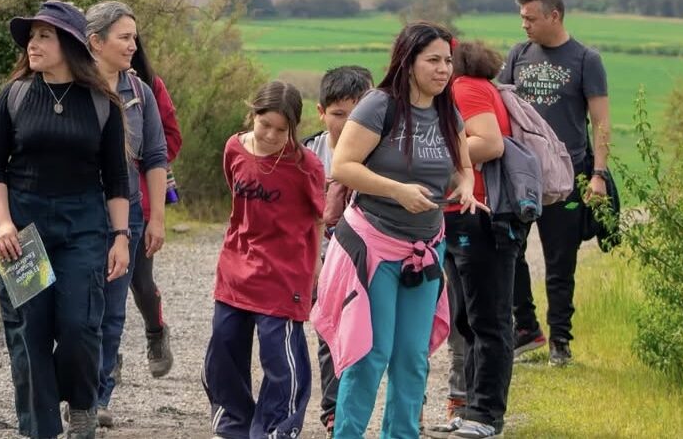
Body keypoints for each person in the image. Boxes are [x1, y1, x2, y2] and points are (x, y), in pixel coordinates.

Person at [315, 22, 481, 439]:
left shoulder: (448, 111)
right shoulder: (378, 106)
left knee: (412, 358)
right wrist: (397, 191)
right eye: (433, 60)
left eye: (447, 61)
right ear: (408, 63)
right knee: (370, 354)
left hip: (425, 249)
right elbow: (343, 166)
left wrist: (464, 186)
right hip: (373, 245)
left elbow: (463, 166)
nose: (444, 69)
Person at [0, 0, 131, 439]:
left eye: (43, 35)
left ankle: (83, 402)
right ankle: (41, 429)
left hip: (83, 226)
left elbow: (117, 178)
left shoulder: (101, 103)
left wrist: (120, 237)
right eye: (31, 36)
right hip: (24, 228)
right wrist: (4, 223)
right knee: (29, 330)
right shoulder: (13, 96)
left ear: (68, 43)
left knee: (79, 323)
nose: (33, 44)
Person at [203, 81, 325, 439]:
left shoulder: (306, 167)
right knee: (224, 346)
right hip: (236, 266)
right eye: (264, 124)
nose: (271, 135)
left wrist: (315, 264)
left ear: (293, 129)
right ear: (252, 115)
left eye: (281, 130)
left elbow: (318, 217)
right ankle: (232, 424)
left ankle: (276, 428)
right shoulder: (234, 148)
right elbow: (237, 197)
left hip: (285, 272)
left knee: (279, 357)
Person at [500, 0, 609, 366]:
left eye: (530, 18)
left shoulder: (585, 60)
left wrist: (598, 174)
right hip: (521, 176)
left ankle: (560, 342)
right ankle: (526, 329)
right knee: (508, 252)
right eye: (522, 18)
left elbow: (601, 123)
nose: (524, 25)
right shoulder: (518, 54)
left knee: (560, 262)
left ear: (554, 15)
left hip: (569, 176)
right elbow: (502, 106)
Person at [428, 41, 520, 439]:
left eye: (441, 59)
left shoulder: (465, 87)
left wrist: (430, 158)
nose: (438, 68)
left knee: (488, 321)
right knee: (468, 320)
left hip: (480, 216)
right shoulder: (471, 86)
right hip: (460, 216)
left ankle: (485, 417)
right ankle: (470, 412)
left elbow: (490, 142)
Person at [83, 1, 168, 427]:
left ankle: (98, 398)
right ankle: (70, 389)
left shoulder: (141, 93)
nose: (134, 45)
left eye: (134, 37)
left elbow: (155, 155)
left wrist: (156, 220)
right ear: (95, 42)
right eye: (125, 37)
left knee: (113, 310)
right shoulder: (71, 88)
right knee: (75, 308)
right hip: (77, 213)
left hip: (129, 215)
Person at [302, 65, 373, 437]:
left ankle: (411, 407)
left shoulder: (383, 152)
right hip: (325, 257)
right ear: (320, 112)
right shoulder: (308, 154)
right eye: (338, 114)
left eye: (356, 113)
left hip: (373, 257)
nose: (347, 124)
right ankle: (333, 410)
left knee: (377, 338)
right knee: (331, 333)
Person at [126, 36, 181, 379]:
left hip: (141, 200)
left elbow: (171, 138)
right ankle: (105, 364)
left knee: (140, 281)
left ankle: (156, 332)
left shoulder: (148, 86)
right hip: (92, 203)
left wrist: (141, 143)